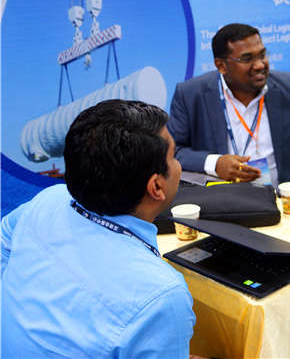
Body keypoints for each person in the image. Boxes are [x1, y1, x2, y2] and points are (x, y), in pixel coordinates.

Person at [1, 100, 195, 358]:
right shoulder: (162, 296)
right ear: (156, 187)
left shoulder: (48, 201)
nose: (177, 164)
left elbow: (4, 242)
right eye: (173, 157)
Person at [168, 23, 290, 192]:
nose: (259, 65)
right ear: (221, 66)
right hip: (224, 202)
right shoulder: (191, 95)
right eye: (247, 58)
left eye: (262, 55)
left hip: (286, 202)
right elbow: (172, 151)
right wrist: (215, 163)